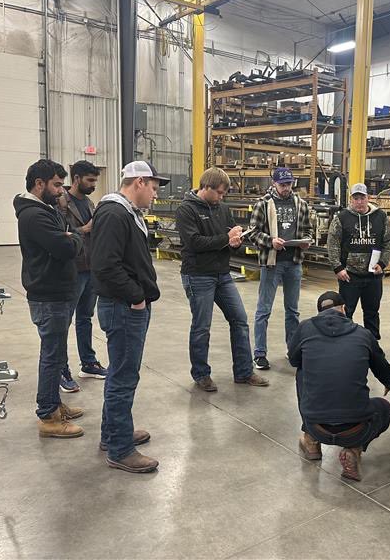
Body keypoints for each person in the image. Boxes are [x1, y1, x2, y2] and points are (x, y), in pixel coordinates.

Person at [91, 160, 168, 473]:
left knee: (121, 373)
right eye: (153, 187)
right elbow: (105, 265)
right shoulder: (114, 213)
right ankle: (121, 449)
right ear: (138, 182)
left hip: (127, 306)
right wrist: (136, 297)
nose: (154, 195)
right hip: (123, 307)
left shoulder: (126, 213)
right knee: (123, 376)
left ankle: (113, 434)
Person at [175, 167, 269, 392]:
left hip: (222, 274)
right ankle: (201, 374)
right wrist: (225, 238)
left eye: (223, 194)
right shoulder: (186, 210)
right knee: (201, 327)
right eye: (218, 192)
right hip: (198, 275)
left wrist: (234, 242)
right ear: (205, 187)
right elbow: (195, 243)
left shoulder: (223, 209)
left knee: (239, 320)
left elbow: (224, 241)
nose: (221, 197)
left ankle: (244, 371)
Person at [288, 291, 390, 482]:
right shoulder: (363, 334)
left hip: (316, 426)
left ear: (318, 313)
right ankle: (354, 450)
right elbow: (382, 367)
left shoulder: (305, 328)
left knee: (302, 370)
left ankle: (311, 441)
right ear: (344, 309)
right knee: (384, 408)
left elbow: (293, 359)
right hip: (356, 430)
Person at [13, 159, 84, 438]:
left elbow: (71, 234)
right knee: (52, 355)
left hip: (58, 293)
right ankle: (47, 416)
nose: (61, 191)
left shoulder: (47, 209)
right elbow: (66, 247)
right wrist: (71, 237)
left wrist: (71, 235)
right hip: (49, 295)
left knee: (57, 354)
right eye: (56, 185)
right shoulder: (33, 215)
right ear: (39, 184)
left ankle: (54, 406)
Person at [248, 167, 311, 370]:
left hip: (294, 262)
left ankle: (292, 349)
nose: (286, 188)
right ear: (273, 183)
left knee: (292, 311)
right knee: (263, 310)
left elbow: (309, 229)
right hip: (272, 263)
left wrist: (307, 241)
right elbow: (253, 232)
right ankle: (259, 354)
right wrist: (270, 241)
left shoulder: (300, 204)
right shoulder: (263, 204)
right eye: (282, 184)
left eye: (289, 184)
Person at [56, 160, 107, 393]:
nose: (93, 185)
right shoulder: (61, 201)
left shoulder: (88, 201)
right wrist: (83, 230)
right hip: (73, 269)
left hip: (90, 268)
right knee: (63, 323)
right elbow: (57, 234)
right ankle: (61, 369)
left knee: (85, 318)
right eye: (90, 180)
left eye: (95, 180)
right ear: (76, 178)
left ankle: (88, 363)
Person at [327, 183, 390, 340]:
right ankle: (346, 344)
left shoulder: (381, 217)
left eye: (362, 198)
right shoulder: (341, 218)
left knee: (372, 313)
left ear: (367, 198)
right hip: (349, 276)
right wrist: (338, 268)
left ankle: (372, 346)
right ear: (351, 199)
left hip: (373, 276)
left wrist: (383, 263)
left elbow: (388, 241)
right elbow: (333, 243)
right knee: (346, 312)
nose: (359, 201)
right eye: (355, 198)